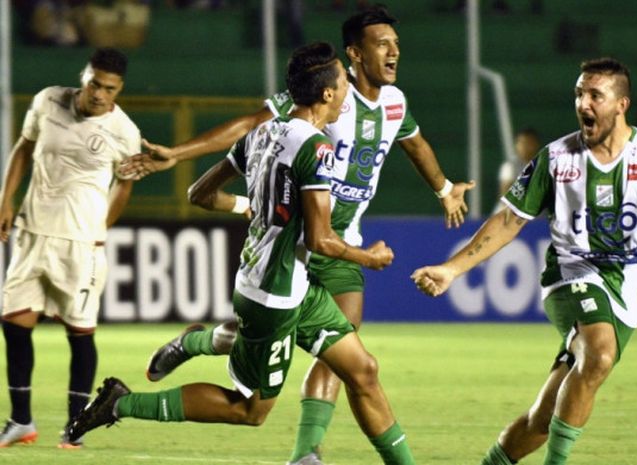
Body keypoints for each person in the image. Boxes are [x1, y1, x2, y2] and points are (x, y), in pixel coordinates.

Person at [124, 6, 473, 464]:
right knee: (284, 345)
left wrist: (445, 189)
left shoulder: (395, 103)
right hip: (301, 242)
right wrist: (178, 153)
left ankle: (305, 453)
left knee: (343, 355)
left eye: (395, 43)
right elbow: (253, 125)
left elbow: (416, 145)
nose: (394, 51)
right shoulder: (328, 93)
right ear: (355, 53)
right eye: (382, 43)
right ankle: (197, 344)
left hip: (340, 243)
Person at [66, 42, 417, 465]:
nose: (348, 90)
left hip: (290, 284)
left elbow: (200, 193)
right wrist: (369, 258)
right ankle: (120, 404)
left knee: (364, 371)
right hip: (274, 296)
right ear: (327, 94)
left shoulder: (263, 134)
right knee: (249, 411)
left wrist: (250, 207)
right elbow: (322, 240)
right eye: (344, 82)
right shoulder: (317, 149)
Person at [412, 57, 637, 465]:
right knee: (597, 355)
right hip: (571, 274)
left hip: (629, 289)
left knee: (542, 420)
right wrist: (452, 268)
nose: (583, 103)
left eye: (595, 95)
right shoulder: (556, 158)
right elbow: (509, 220)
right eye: (579, 93)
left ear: (621, 104)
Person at [0, 48, 139, 448]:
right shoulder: (48, 101)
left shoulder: (123, 132)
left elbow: (124, 185)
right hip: (31, 232)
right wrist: (7, 201)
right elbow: (24, 148)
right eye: (94, 83)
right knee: (14, 324)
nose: (99, 94)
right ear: (84, 76)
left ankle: (74, 427)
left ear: (119, 90)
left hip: (81, 244)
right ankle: (21, 420)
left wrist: (101, 227)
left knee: (79, 333)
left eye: (109, 88)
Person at [496, 127, 540, 199]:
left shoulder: (542, 164)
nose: (524, 146)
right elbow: (505, 195)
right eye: (522, 143)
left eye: (529, 143)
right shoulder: (510, 166)